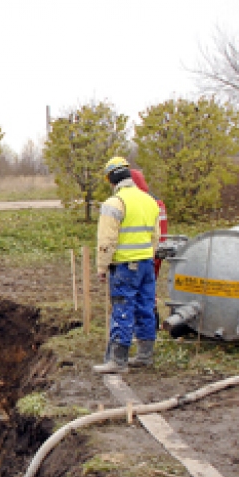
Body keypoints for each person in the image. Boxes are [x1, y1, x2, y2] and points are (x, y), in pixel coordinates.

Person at [93, 157, 161, 374]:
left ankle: (118, 361)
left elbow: (107, 240)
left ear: (111, 179)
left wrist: (102, 267)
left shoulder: (114, 203)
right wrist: (148, 256)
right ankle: (144, 355)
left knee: (122, 308)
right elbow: (156, 236)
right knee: (145, 307)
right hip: (146, 264)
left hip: (125, 266)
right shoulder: (149, 201)